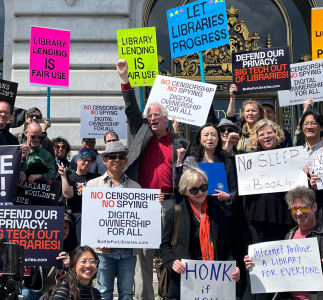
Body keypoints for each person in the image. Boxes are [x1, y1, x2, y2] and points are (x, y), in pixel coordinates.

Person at [116, 59, 190, 300]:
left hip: (171, 204)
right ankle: (145, 298)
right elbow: (131, 109)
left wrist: (180, 164)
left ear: (165, 118)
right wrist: (125, 80)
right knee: (144, 257)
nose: (152, 118)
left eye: (156, 115)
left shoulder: (180, 144)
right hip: (144, 204)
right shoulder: (142, 132)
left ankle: (170, 295)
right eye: (149, 115)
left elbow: (186, 179)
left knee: (171, 254)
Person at [159, 167, 240, 299]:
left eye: (203, 187)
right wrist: (172, 261)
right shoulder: (174, 212)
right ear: (185, 191)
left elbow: (225, 247)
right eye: (194, 190)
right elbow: (165, 246)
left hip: (214, 283)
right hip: (184, 282)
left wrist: (232, 267)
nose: (200, 192)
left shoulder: (217, 212)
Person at [244, 186, 323, 300]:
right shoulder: (289, 236)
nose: (298, 213)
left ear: (314, 207)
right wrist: (255, 264)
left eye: (303, 208)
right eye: (294, 209)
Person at [241, 119, 294, 300]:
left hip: (283, 220)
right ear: (256, 138)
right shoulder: (247, 160)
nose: (266, 137)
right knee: (258, 269)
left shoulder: (290, 156)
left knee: (280, 268)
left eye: (269, 133)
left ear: (277, 135)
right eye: (261, 134)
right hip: (256, 222)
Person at [86, 141, 140, 300]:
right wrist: (96, 239)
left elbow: (139, 217)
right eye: (112, 156)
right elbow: (90, 217)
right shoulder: (92, 185)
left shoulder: (136, 187)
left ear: (126, 161)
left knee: (127, 293)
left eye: (121, 156)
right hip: (103, 250)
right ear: (104, 160)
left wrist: (152, 203)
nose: (117, 159)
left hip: (128, 251)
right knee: (104, 292)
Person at [22, 214, 76, 300]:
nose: (62, 231)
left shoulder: (72, 250)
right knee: (24, 293)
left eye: (66, 228)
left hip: (57, 294)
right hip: (35, 292)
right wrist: (21, 268)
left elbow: (81, 278)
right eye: (58, 226)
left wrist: (71, 265)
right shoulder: (31, 245)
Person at [58, 148, 100, 245]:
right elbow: (68, 195)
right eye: (84, 160)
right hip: (77, 214)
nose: (86, 163)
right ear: (78, 160)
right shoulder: (71, 177)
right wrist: (63, 176)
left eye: (89, 161)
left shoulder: (96, 177)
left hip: (93, 214)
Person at [227, 84, 266, 153]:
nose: (250, 113)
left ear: (260, 114)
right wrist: (232, 97)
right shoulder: (239, 127)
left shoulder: (264, 129)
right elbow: (230, 117)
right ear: (244, 114)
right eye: (247, 111)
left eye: (253, 110)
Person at [300, 110, 323, 176]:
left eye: (313, 123)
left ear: (322, 127)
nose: (309, 127)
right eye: (306, 124)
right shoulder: (298, 153)